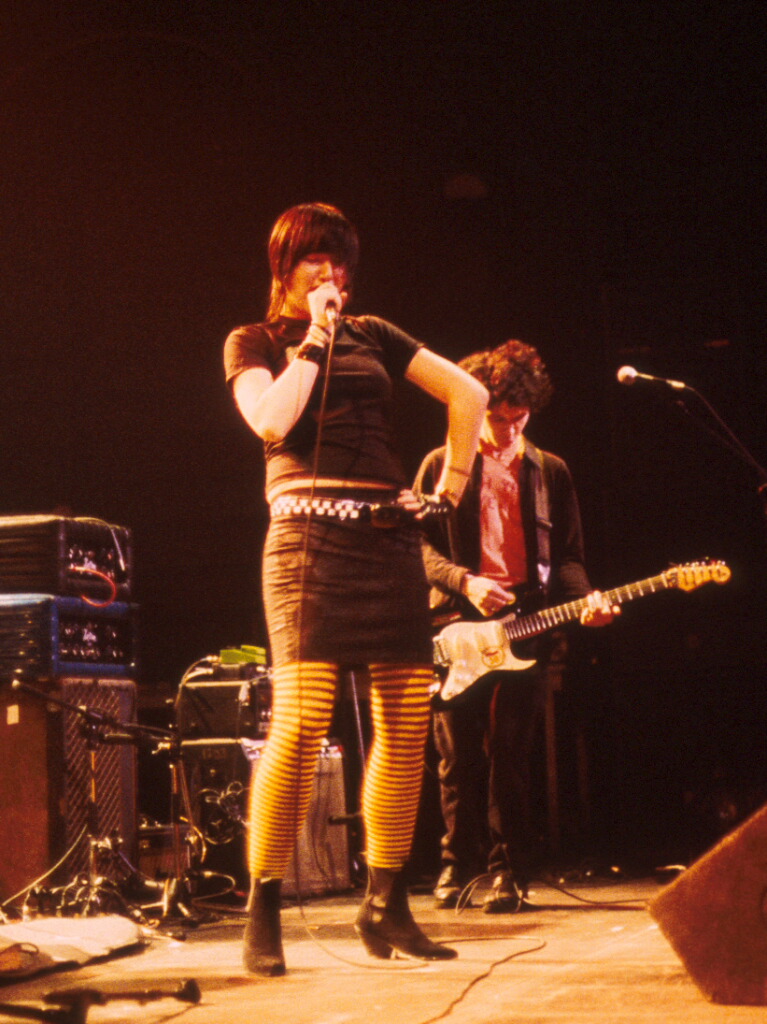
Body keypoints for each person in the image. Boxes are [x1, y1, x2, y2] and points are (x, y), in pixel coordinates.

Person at [223, 202, 488, 974]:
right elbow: (272, 422)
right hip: (305, 543)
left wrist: (450, 489)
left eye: (338, 259)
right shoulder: (253, 342)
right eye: (314, 257)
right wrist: (314, 335)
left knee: (404, 725)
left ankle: (385, 903)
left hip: (387, 539)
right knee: (302, 722)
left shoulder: (373, 332)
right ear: (284, 266)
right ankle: (263, 906)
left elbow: (467, 395)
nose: (329, 271)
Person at [413, 339, 617, 913]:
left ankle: (510, 871)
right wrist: (464, 581)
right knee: (458, 757)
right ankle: (457, 864)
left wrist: (586, 599)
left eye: (517, 418)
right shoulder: (441, 464)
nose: (505, 430)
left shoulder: (549, 471)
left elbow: (568, 557)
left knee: (511, 755)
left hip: (527, 623)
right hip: (457, 623)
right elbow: (416, 548)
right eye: (495, 418)